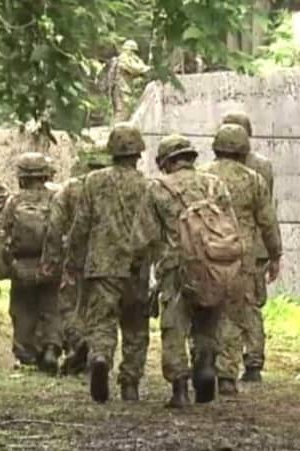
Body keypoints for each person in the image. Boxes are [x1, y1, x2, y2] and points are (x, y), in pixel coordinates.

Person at [131, 134, 236, 408]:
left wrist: (139, 264)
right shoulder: (214, 184)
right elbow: (230, 227)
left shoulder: (157, 188)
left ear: (165, 162)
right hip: (212, 265)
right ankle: (206, 361)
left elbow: (144, 237)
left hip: (175, 269)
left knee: (174, 327)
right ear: (190, 157)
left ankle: (179, 389)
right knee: (209, 319)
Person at [66, 123, 150, 403]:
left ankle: (101, 357)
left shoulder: (93, 181)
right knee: (135, 325)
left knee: (102, 320)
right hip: (136, 267)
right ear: (138, 153)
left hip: (101, 265)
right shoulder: (147, 185)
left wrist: (73, 260)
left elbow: (81, 224)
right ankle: (130, 383)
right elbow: (153, 229)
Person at [201, 124, 282, 396]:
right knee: (234, 315)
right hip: (240, 257)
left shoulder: (202, 176)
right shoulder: (254, 180)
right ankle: (227, 375)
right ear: (244, 149)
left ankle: (203, 361)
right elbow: (268, 222)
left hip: (207, 253)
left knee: (204, 310)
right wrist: (275, 255)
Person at [41, 146, 112, 376]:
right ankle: (98, 351)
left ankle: (79, 342)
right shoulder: (117, 186)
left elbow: (55, 226)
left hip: (76, 257)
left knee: (70, 304)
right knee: (102, 308)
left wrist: (51, 258)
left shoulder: (70, 188)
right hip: (111, 258)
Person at [0, 152, 62, 373]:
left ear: (21, 176)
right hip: (51, 262)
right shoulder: (57, 198)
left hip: (22, 263)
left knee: (22, 308)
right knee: (52, 306)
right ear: (45, 174)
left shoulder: (15, 201)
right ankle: (51, 347)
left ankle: (26, 354)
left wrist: (5, 265)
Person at [220, 112, 276, 383]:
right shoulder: (261, 168)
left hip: (217, 246)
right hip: (252, 247)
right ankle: (253, 361)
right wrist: (274, 252)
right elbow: (266, 213)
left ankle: (218, 361)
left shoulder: (209, 171)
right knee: (250, 304)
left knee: (219, 304)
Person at [110, 40, 150, 123]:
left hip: (125, 87)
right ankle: (116, 128)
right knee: (122, 109)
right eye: (133, 51)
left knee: (126, 109)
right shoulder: (123, 58)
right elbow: (133, 68)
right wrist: (146, 69)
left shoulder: (131, 57)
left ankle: (120, 127)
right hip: (120, 87)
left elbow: (140, 65)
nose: (134, 53)